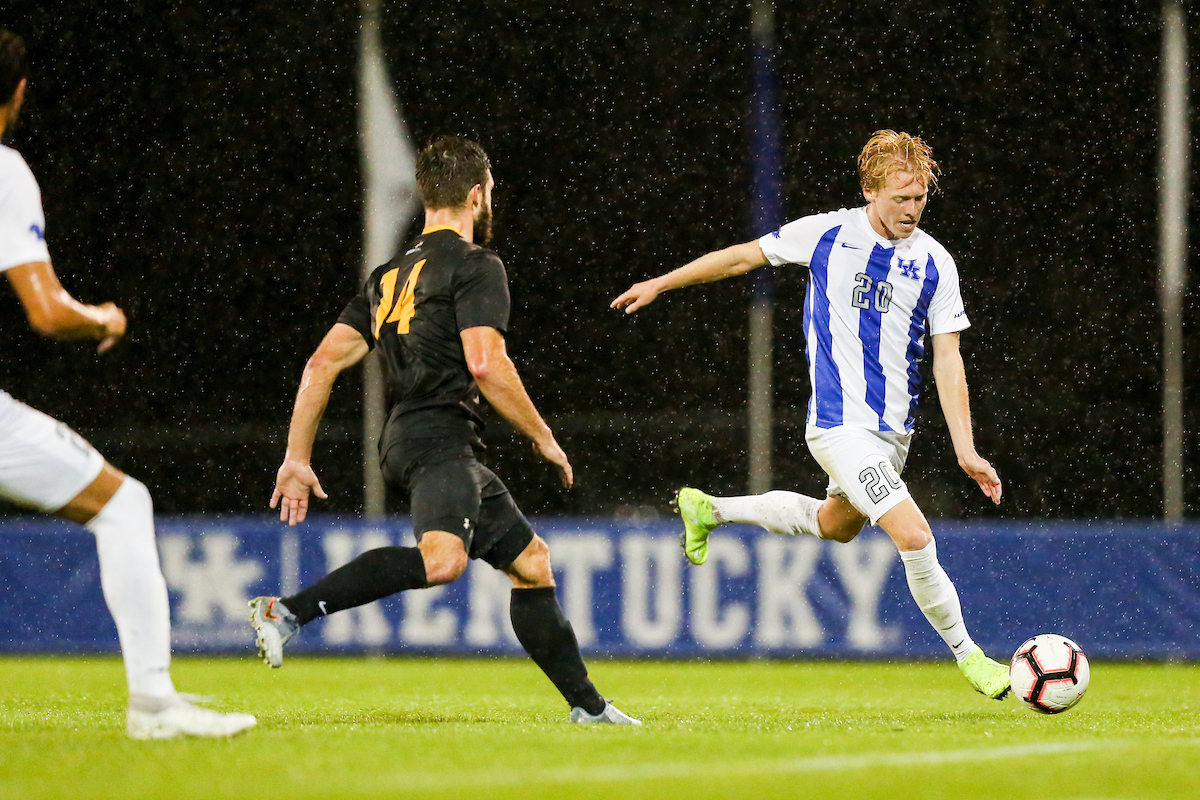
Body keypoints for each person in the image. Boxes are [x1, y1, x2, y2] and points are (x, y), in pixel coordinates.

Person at [249, 135, 639, 725]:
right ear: (478, 196)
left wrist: (296, 457)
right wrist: (542, 436)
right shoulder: (477, 265)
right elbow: (486, 363)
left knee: (532, 562)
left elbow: (320, 364)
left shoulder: (387, 277)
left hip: (421, 438)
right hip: (436, 437)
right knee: (442, 561)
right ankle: (288, 612)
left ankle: (589, 709)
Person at [611, 130, 1010, 699]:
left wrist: (965, 449)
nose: (912, 210)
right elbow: (741, 258)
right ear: (870, 191)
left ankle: (711, 510)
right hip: (839, 427)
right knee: (915, 535)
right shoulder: (827, 233)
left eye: (920, 198)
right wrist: (661, 282)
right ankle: (971, 656)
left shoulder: (935, 263)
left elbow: (949, 359)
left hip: (893, 434)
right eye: (900, 198)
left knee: (837, 526)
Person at [0, 30, 256, 738]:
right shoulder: (5, 169)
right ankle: (152, 702)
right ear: (17, 94)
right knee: (124, 504)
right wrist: (104, 317)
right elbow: (47, 312)